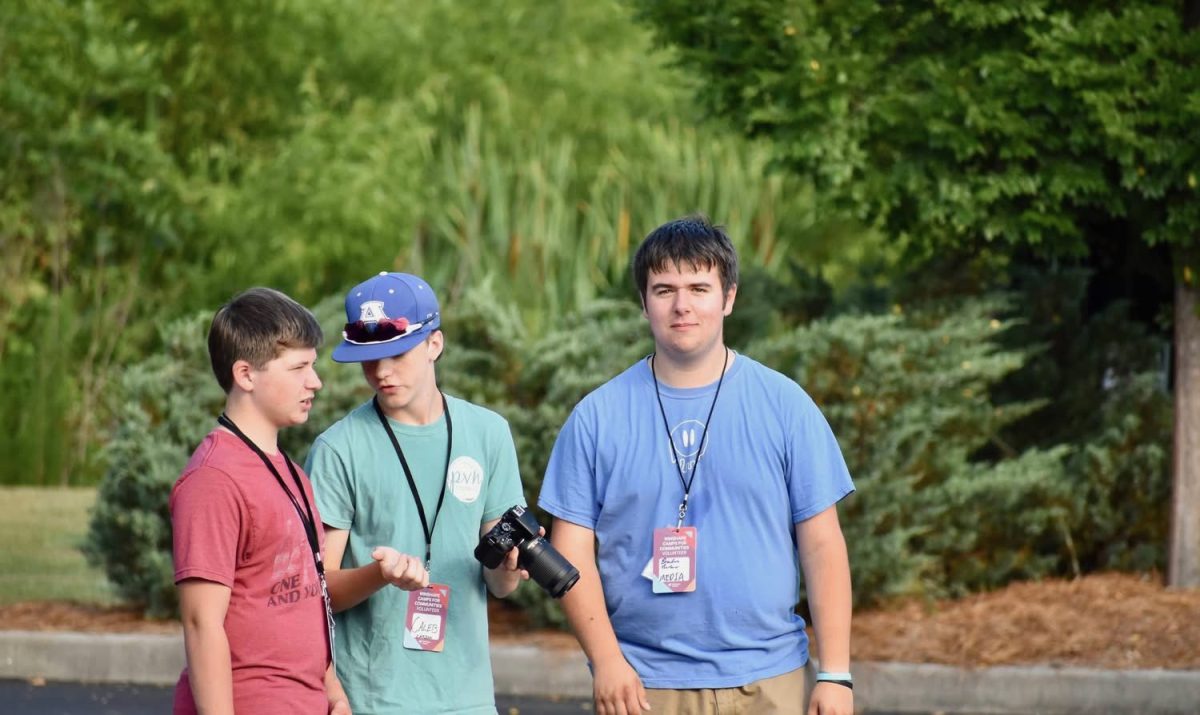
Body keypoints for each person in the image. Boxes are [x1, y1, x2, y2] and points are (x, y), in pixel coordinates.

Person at [538, 216, 856, 715]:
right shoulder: (595, 417)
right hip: (643, 687)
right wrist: (606, 661)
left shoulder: (786, 405)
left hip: (772, 682)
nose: (681, 305)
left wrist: (836, 673)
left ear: (728, 297)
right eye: (663, 289)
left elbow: (821, 543)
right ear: (643, 303)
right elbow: (570, 549)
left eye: (698, 287)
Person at [306, 271, 528, 715]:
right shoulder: (337, 448)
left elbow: (499, 584)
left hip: (468, 700)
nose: (381, 372)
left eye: (397, 354)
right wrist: (380, 575)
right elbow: (318, 591)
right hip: (370, 700)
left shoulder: (488, 434)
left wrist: (507, 570)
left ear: (434, 344)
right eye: (368, 359)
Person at [170, 287, 349, 714]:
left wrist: (335, 694)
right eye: (299, 367)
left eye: (314, 365)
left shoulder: (292, 473)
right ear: (246, 375)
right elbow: (201, 622)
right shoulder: (213, 478)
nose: (315, 381)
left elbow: (310, 595)